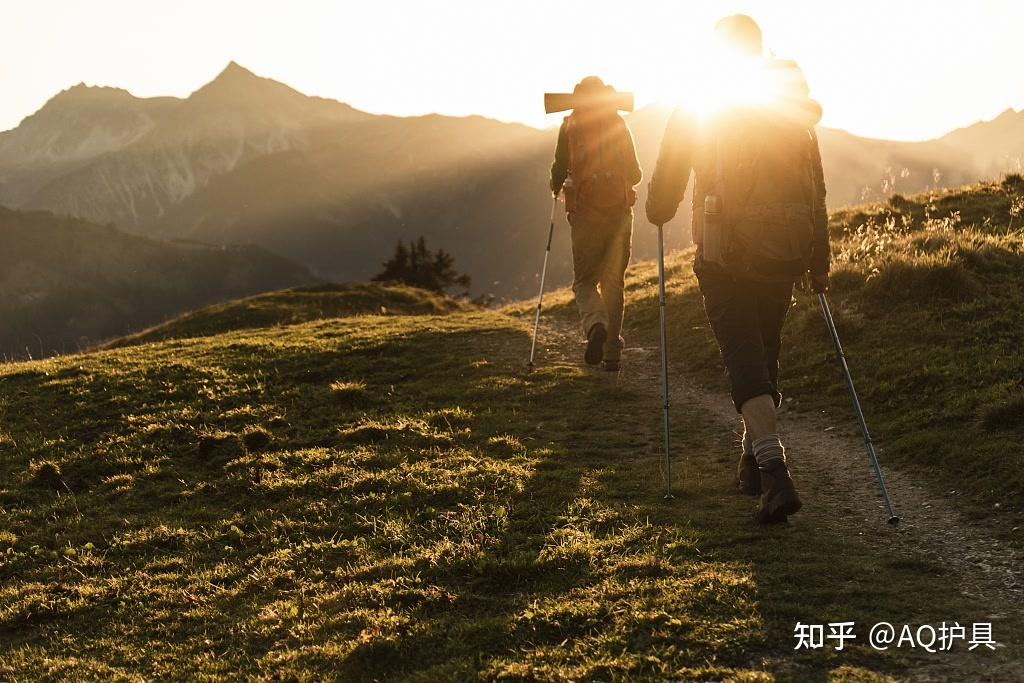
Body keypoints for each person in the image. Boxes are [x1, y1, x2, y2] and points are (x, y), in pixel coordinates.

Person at [646, 15, 830, 523]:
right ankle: (751, 463)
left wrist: (659, 207)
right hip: (786, 252)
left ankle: (775, 473)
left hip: (724, 253)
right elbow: (814, 186)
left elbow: (669, 171)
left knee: (744, 357)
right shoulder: (789, 102)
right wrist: (819, 259)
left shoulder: (704, 96)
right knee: (765, 353)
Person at [550, 77, 642, 371]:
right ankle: (612, 354)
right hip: (619, 215)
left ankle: (596, 326)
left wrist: (556, 186)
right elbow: (636, 173)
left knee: (585, 282)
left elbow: (558, 168)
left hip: (585, 217)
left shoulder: (570, 126)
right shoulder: (618, 124)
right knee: (614, 284)